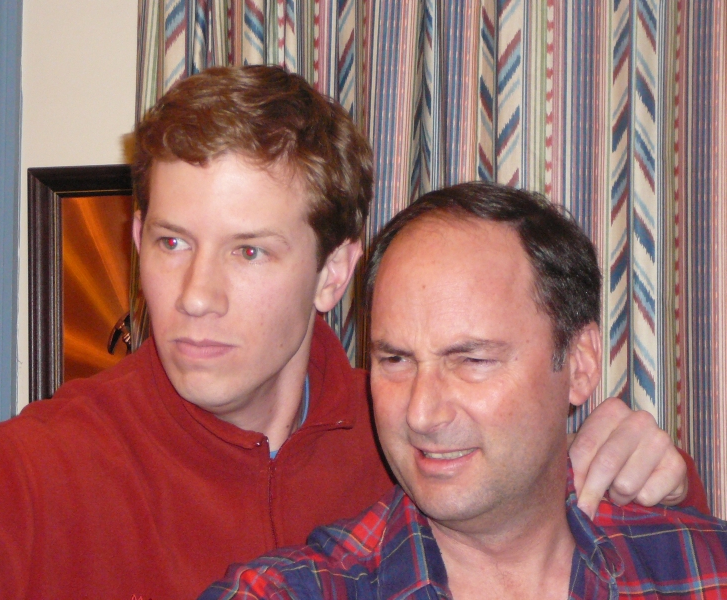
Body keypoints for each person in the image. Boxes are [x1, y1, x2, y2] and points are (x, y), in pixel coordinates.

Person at [0, 68, 706, 598]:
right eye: (172, 243)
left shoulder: (429, 435)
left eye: (249, 251)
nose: (195, 296)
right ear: (136, 242)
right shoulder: (14, 483)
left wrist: (659, 480)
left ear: (334, 274)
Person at [201, 182, 727, 600]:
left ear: (581, 364)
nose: (422, 414)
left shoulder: (699, 568)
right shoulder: (289, 591)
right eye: (395, 360)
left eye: (472, 361)